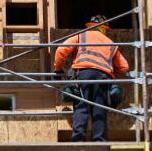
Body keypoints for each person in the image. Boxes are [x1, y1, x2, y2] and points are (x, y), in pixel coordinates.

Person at [53, 14, 130, 142]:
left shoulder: (81, 35)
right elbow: (124, 67)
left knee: (81, 107)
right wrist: (110, 70)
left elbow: (61, 50)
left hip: (84, 75)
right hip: (103, 78)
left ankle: (78, 139)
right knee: (99, 108)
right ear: (104, 29)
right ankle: (99, 140)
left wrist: (58, 69)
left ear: (90, 26)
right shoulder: (110, 43)